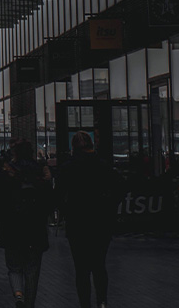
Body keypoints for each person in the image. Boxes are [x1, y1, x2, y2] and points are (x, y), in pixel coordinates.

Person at [55, 131, 126, 308]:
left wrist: (67, 212)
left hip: (77, 223)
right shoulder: (103, 166)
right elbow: (120, 189)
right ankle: (102, 302)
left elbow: (58, 196)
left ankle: (85, 304)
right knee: (99, 265)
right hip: (101, 222)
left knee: (81, 269)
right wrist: (109, 207)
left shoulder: (67, 168)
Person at [0, 138, 53, 308]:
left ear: (15, 153)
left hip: (13, 227)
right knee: (33, 269)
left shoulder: (7, 172)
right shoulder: (41, 172)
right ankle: (29, 303)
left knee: (14, 266)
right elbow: (49, 201)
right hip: (35, 227)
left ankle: (18, 293)